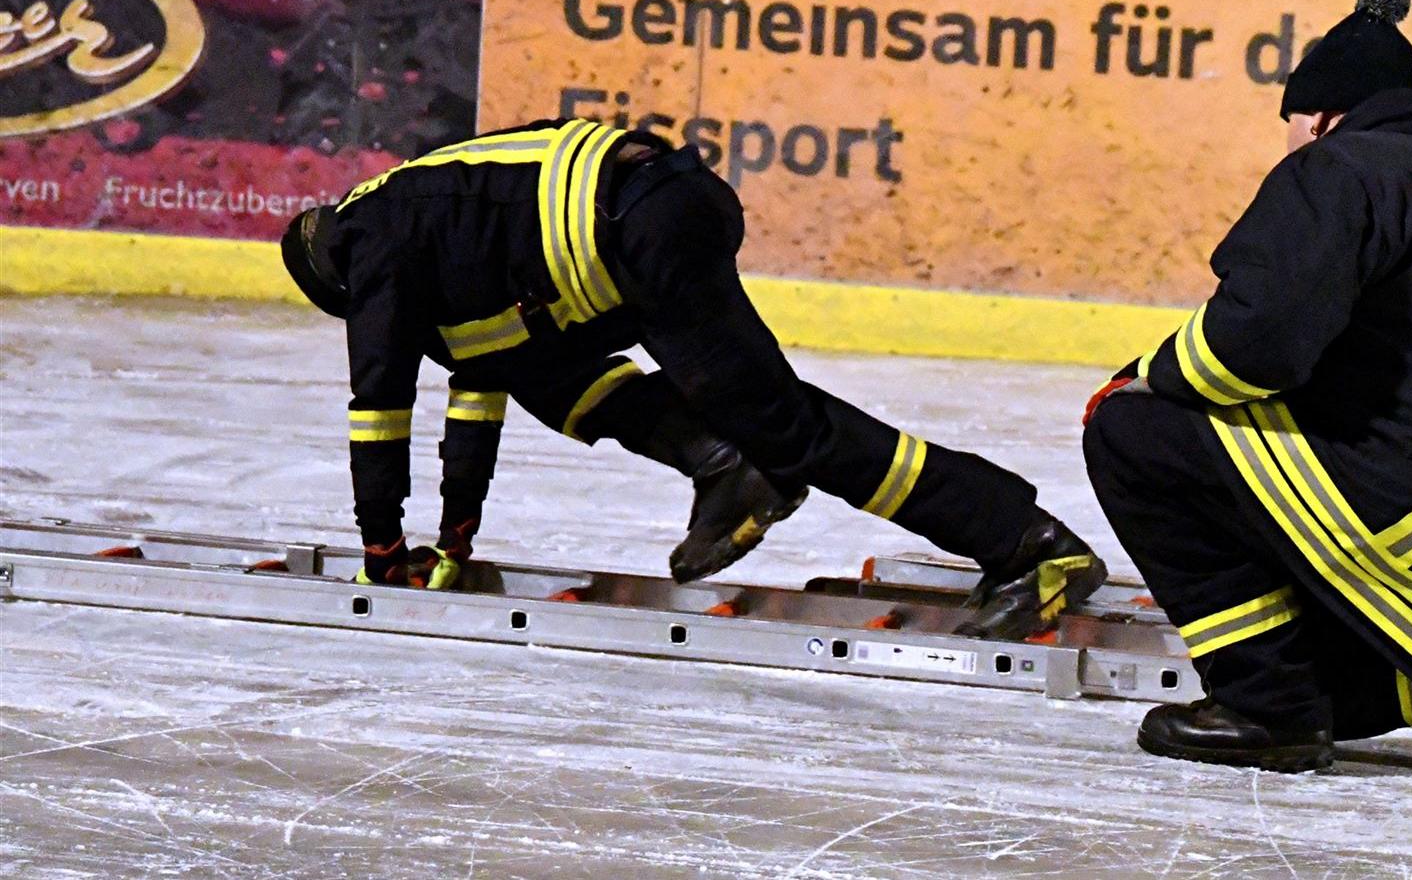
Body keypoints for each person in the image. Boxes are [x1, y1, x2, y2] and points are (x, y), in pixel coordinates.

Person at [280, 118, 1108, 640]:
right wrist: (457, 536)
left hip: (640, 227)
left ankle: (1026, 544)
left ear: (333, 282)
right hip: (648, 215)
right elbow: (479, 386)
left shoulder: (370, 243)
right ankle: (726, 466)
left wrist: (383, 551)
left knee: (788, 426)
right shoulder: (428, 223)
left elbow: (380, 404)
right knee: (546, 374)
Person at [1080, 0, 1412, 782]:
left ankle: (1264, 712)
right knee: (1322, 681)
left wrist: (1144, 378)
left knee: (1131, 433)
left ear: (1323, 115)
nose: (1288, 145)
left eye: (1290, 125)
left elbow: (1256, 342)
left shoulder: (1342, 169)